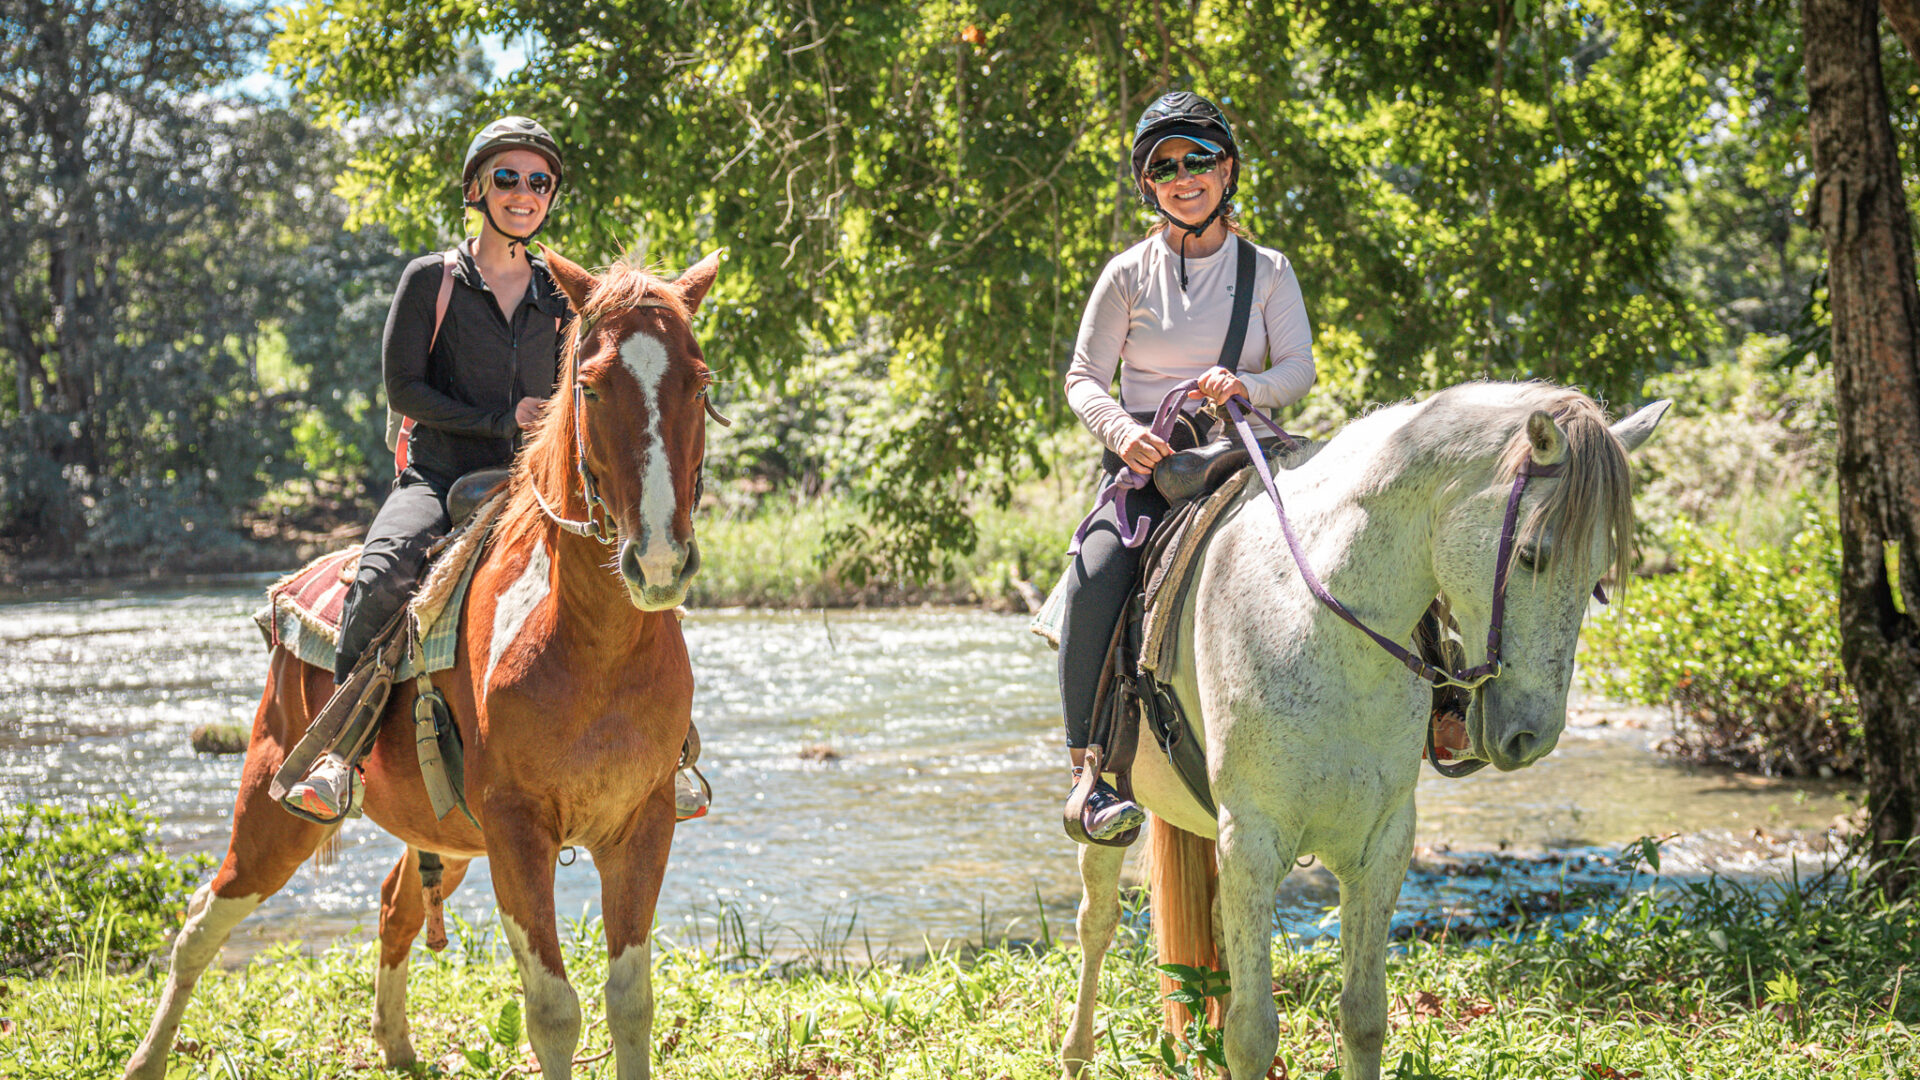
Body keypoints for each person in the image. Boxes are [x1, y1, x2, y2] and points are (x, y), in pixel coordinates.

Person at [286, 117, 709, 824]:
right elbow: (403, 390)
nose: (523, 192)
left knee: (639, 573)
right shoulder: (432, 280)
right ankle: (343, 755)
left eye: (538, 181)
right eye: (507, 178)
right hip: (440, 477)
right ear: (477, 188)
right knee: (381, 576)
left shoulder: (563, 294)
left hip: (536, 485)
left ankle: (671, 751)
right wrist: (499, 420)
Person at [1058, 91, 1318, 840]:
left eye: (1197, 159)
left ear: (1226, 168)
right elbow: (1082, 376)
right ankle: (1090, 771)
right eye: (1164, 165)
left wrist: (1250, 386)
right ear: (1148, 184)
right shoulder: (1125, 274)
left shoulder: (1269, 269)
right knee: (1095, 569)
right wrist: (1119, 430)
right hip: (1151, 463)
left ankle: (1443, 710)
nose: (1183, 175)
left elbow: (1298, 368)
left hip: (1245, 449)